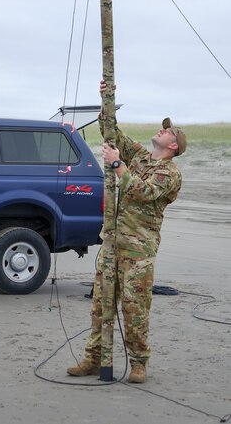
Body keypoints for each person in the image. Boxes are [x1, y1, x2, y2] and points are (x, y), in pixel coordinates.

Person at [67, 80, 187, 383]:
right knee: (100, 304)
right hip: (112, 245)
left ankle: (138, 363)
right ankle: (93, 359)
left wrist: (118, 164)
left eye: (167, 131)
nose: (161, 130)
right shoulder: (142, 157)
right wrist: (107, 97)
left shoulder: (169, 173)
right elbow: (113, 133)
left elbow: (142, 191)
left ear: (173, 145)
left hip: (139, 252)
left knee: (135, 308)